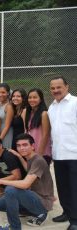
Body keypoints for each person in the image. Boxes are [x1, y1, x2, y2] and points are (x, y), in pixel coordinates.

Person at [0, 133, 54, 230]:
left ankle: (15, 227)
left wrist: (1, 181)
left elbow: (26, 184)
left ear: (33, 146)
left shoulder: (38, 160)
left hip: (43, 202)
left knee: (10, 190)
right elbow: (28, 169)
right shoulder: (30, 158)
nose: (21, 148)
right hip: (33, 196)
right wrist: (19, 156)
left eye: (25, 145)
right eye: (19, 146)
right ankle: (29, 212)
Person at [48, 76, 77, 229]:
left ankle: (75, 220)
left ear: (67, 87)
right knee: (63, 187)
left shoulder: (75, 103)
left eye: (59, 87)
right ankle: (67, 212)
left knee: (74, 188)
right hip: (58, 155)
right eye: (52, 88)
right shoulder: (52, 107)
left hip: (74, 155)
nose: (55, 91)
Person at [23, 88, 52, 164]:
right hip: (30, 152)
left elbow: (46, 135)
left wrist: (39, 154)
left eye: (35, 97)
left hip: (42, 153)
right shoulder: (27, 112)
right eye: (30, 97)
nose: (32, 100)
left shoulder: (44, 114)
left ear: (41, 99)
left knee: (40, 175)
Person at [0, 83, 14, 149]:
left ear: (8, 93)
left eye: (3, 92)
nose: (0, 94)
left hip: (6, 134)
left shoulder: (9, 106)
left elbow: (7, 126)